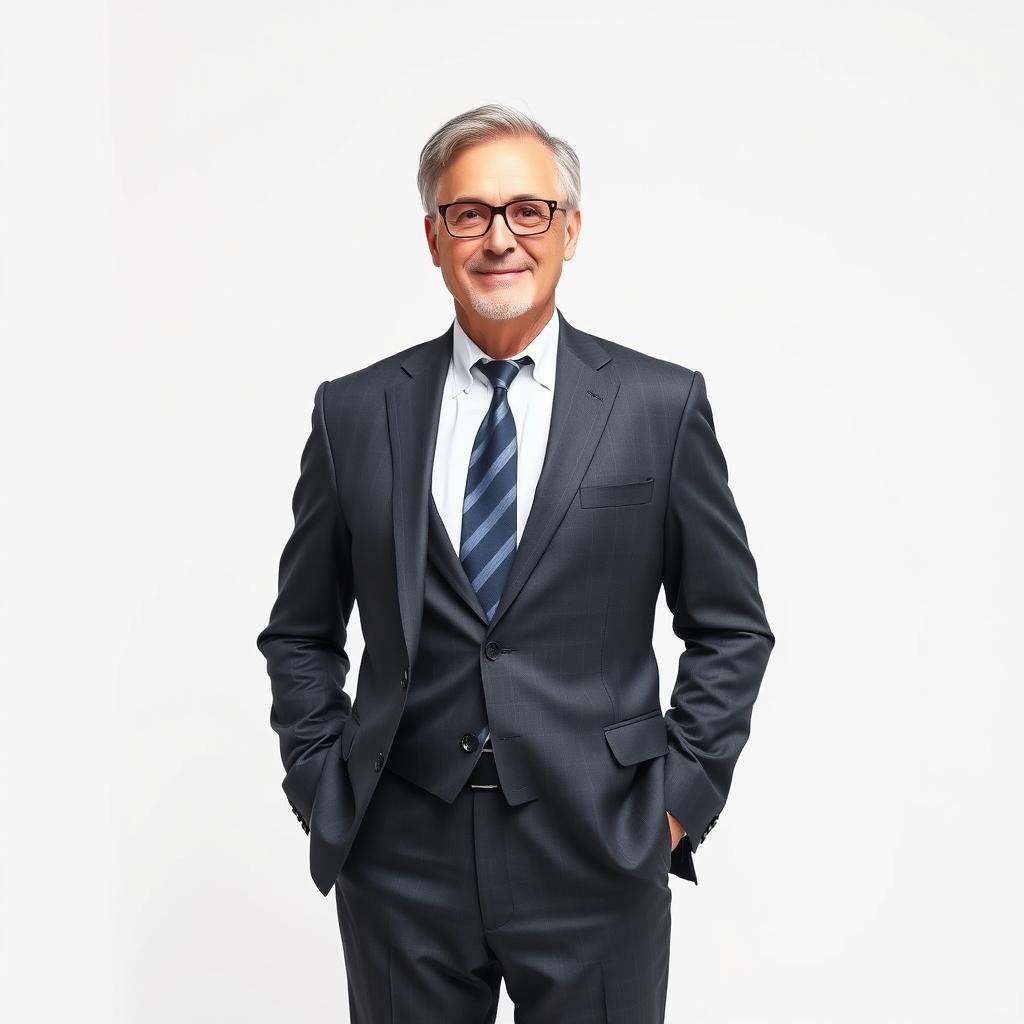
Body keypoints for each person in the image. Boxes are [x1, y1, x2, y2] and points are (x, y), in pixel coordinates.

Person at [256, 102, 774, 1023]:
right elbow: (301, 631)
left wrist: (672, 807)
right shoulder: (353, 412)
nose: (501, 238)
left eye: (528, 211)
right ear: (433, 237)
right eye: (470, 213)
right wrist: (324, 788)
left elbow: (730, 626)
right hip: (402, 852)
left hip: (598, 844)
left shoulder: (659, 404)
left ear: (570, 230)